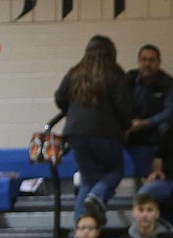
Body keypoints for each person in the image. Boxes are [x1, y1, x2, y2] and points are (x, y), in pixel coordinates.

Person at [55, 35, 133, 221]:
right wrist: (125, 126)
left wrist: (73, 112)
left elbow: (59, 97)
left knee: (88, 178)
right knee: (115, 171)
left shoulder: (75, 72)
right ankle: (97, 197)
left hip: (75, 132)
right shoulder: (114, 73)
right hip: (106, 132)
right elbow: (124, 106)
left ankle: (80, 227)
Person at [124, 44, 173, 178]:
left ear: (159, 63)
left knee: (167, 127)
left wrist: (146, 122)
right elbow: (119, 104)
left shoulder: (169, 83)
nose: (147, 64)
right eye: (143, 60)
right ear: (138, 62)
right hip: (132, 125)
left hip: (156, 127)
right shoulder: (128, 79)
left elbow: (170, 111)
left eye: (151, 60)